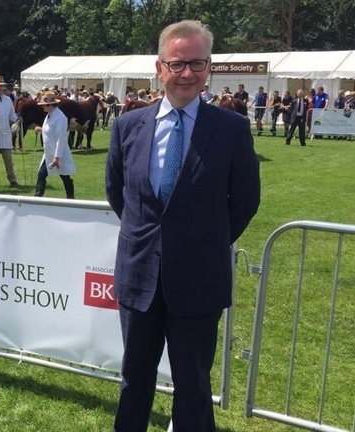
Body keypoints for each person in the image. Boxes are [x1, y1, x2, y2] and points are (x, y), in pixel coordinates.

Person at [105, 20, 260, 432]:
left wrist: (203, 241)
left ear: (209, 67)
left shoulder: (231, 129)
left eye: (197, 63)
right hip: (139, 278)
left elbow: (245, 201)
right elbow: (118, 195)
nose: (187, 73)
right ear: (160, 68)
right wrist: (152, 241)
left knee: (192, 385)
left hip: (199, 279)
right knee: (133, 379)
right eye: (178, 64)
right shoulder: (127, 127)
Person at [33, 92, 75, 199]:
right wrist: (41, 130)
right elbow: (51, 131)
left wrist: (57, 157)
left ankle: (71, 198)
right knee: (42, 174)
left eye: (44, 105)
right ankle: (38, 197)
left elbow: (61, 138)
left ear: (51, 105)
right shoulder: (50, 115)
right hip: (49, 153)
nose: (42, 106)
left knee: (65, 175)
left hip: (58, 153)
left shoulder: (60, 118)